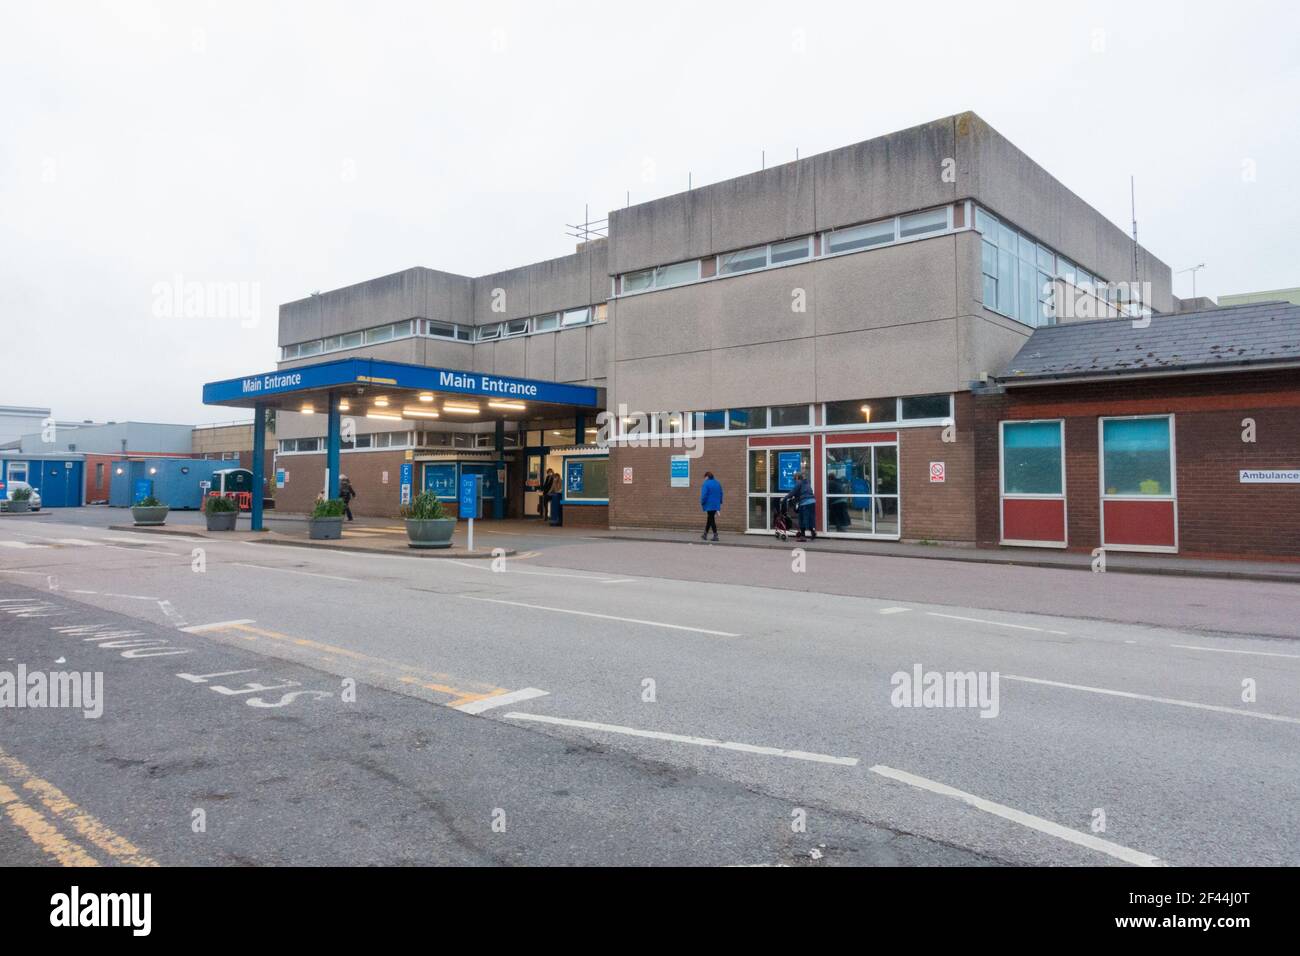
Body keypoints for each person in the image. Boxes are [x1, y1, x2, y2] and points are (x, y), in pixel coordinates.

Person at [787, 472, 816, 542]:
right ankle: (813, 532)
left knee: (802, 519)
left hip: (805, 503)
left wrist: (785, 498)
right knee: (809, 518)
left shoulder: (799, 483)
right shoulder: (806, 483)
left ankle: (803, 537)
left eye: (795, 478)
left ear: (797, 478)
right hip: (812, 502)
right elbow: (800, 493)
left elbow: (792, 493)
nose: (794, 480)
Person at [699, 471, 723, 542]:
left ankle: (715, 535)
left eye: (705, 477)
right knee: (709, 518)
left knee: (711, 519)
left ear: (707, 477)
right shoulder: (717, 483)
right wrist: (720, 501)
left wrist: (702, 502)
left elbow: (704, 495)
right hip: (716, 504)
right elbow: (721, 493)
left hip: (709, 504)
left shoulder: (706, 484)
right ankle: (705, 534)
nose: (704, 479)